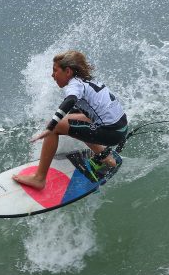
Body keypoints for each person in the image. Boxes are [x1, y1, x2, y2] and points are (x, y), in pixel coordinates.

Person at [13, 50, 129, 190]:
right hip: (121, 127)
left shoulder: (75, 84)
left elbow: (71, 99)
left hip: (111, 132)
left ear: (67, 71)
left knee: (55, 126)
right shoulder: (89, 80)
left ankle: (39, 179)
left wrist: (51, 127)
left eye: (55, 71)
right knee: (72, 117)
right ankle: (106, 157)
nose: (52, 75)